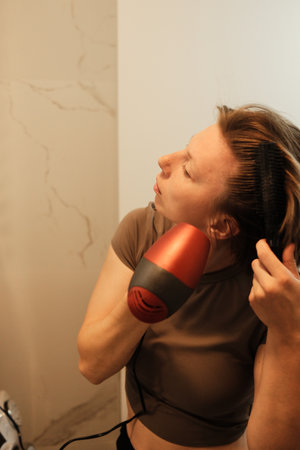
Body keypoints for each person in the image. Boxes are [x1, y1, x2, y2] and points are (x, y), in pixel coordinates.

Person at [77, 104, 300, 450]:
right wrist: (147, 296)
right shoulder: (141, 229)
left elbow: (271, 446)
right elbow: (92, 366)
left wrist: (290, 333)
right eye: (184, 148)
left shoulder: (270, 297)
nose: (165, 160)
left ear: (223, 225)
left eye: (188, 170)